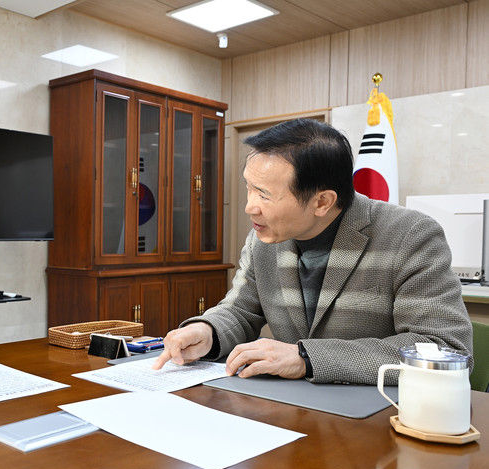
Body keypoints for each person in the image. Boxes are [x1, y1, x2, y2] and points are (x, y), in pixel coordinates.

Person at [152, 118, 472, 385]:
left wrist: (306, 358)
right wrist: (207, 330)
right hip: (294, 410)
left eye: (264, 195)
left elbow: (444, 348)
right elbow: (240, 311)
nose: (250, 207)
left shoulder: (409, 235)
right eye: (249, 188)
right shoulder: (263, 240)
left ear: (322, 201)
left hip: (381, 414)